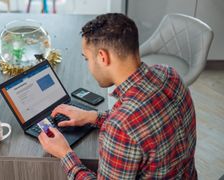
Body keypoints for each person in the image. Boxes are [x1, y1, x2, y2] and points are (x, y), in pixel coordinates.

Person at [38, 13, 197, 179]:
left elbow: (127, 127)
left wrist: (64, 154)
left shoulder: (119, 128)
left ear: (102, 57)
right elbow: (141, 124)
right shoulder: (170, 75)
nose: (89, 66)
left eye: (87, 59)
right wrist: (93, 116)